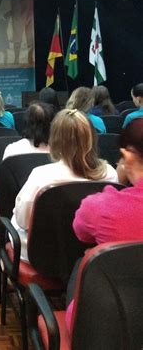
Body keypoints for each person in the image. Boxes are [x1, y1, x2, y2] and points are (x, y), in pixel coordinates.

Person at [65, 117, 143, 331]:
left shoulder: (102, 206)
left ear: (126, 155)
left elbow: (80, 233)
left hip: (103, 330)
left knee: (84, 260)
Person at [11, 109, 118, 262]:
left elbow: (23, 220)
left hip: (42, 257)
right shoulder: (111, 174)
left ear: (55, 140)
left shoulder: (41, 175)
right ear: (91, 138)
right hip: (90, 257)